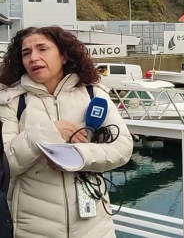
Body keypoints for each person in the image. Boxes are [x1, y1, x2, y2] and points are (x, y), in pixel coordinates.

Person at [0, 26, 133, 238]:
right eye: (26, 53)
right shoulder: (12, 101)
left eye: (42, 49)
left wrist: (80, 156)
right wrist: (48, 133)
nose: (34, 57)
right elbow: (5, 164)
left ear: (63, 56)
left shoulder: (93, 94)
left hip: (95, 228)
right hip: (31, 228)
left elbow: (123, 147)